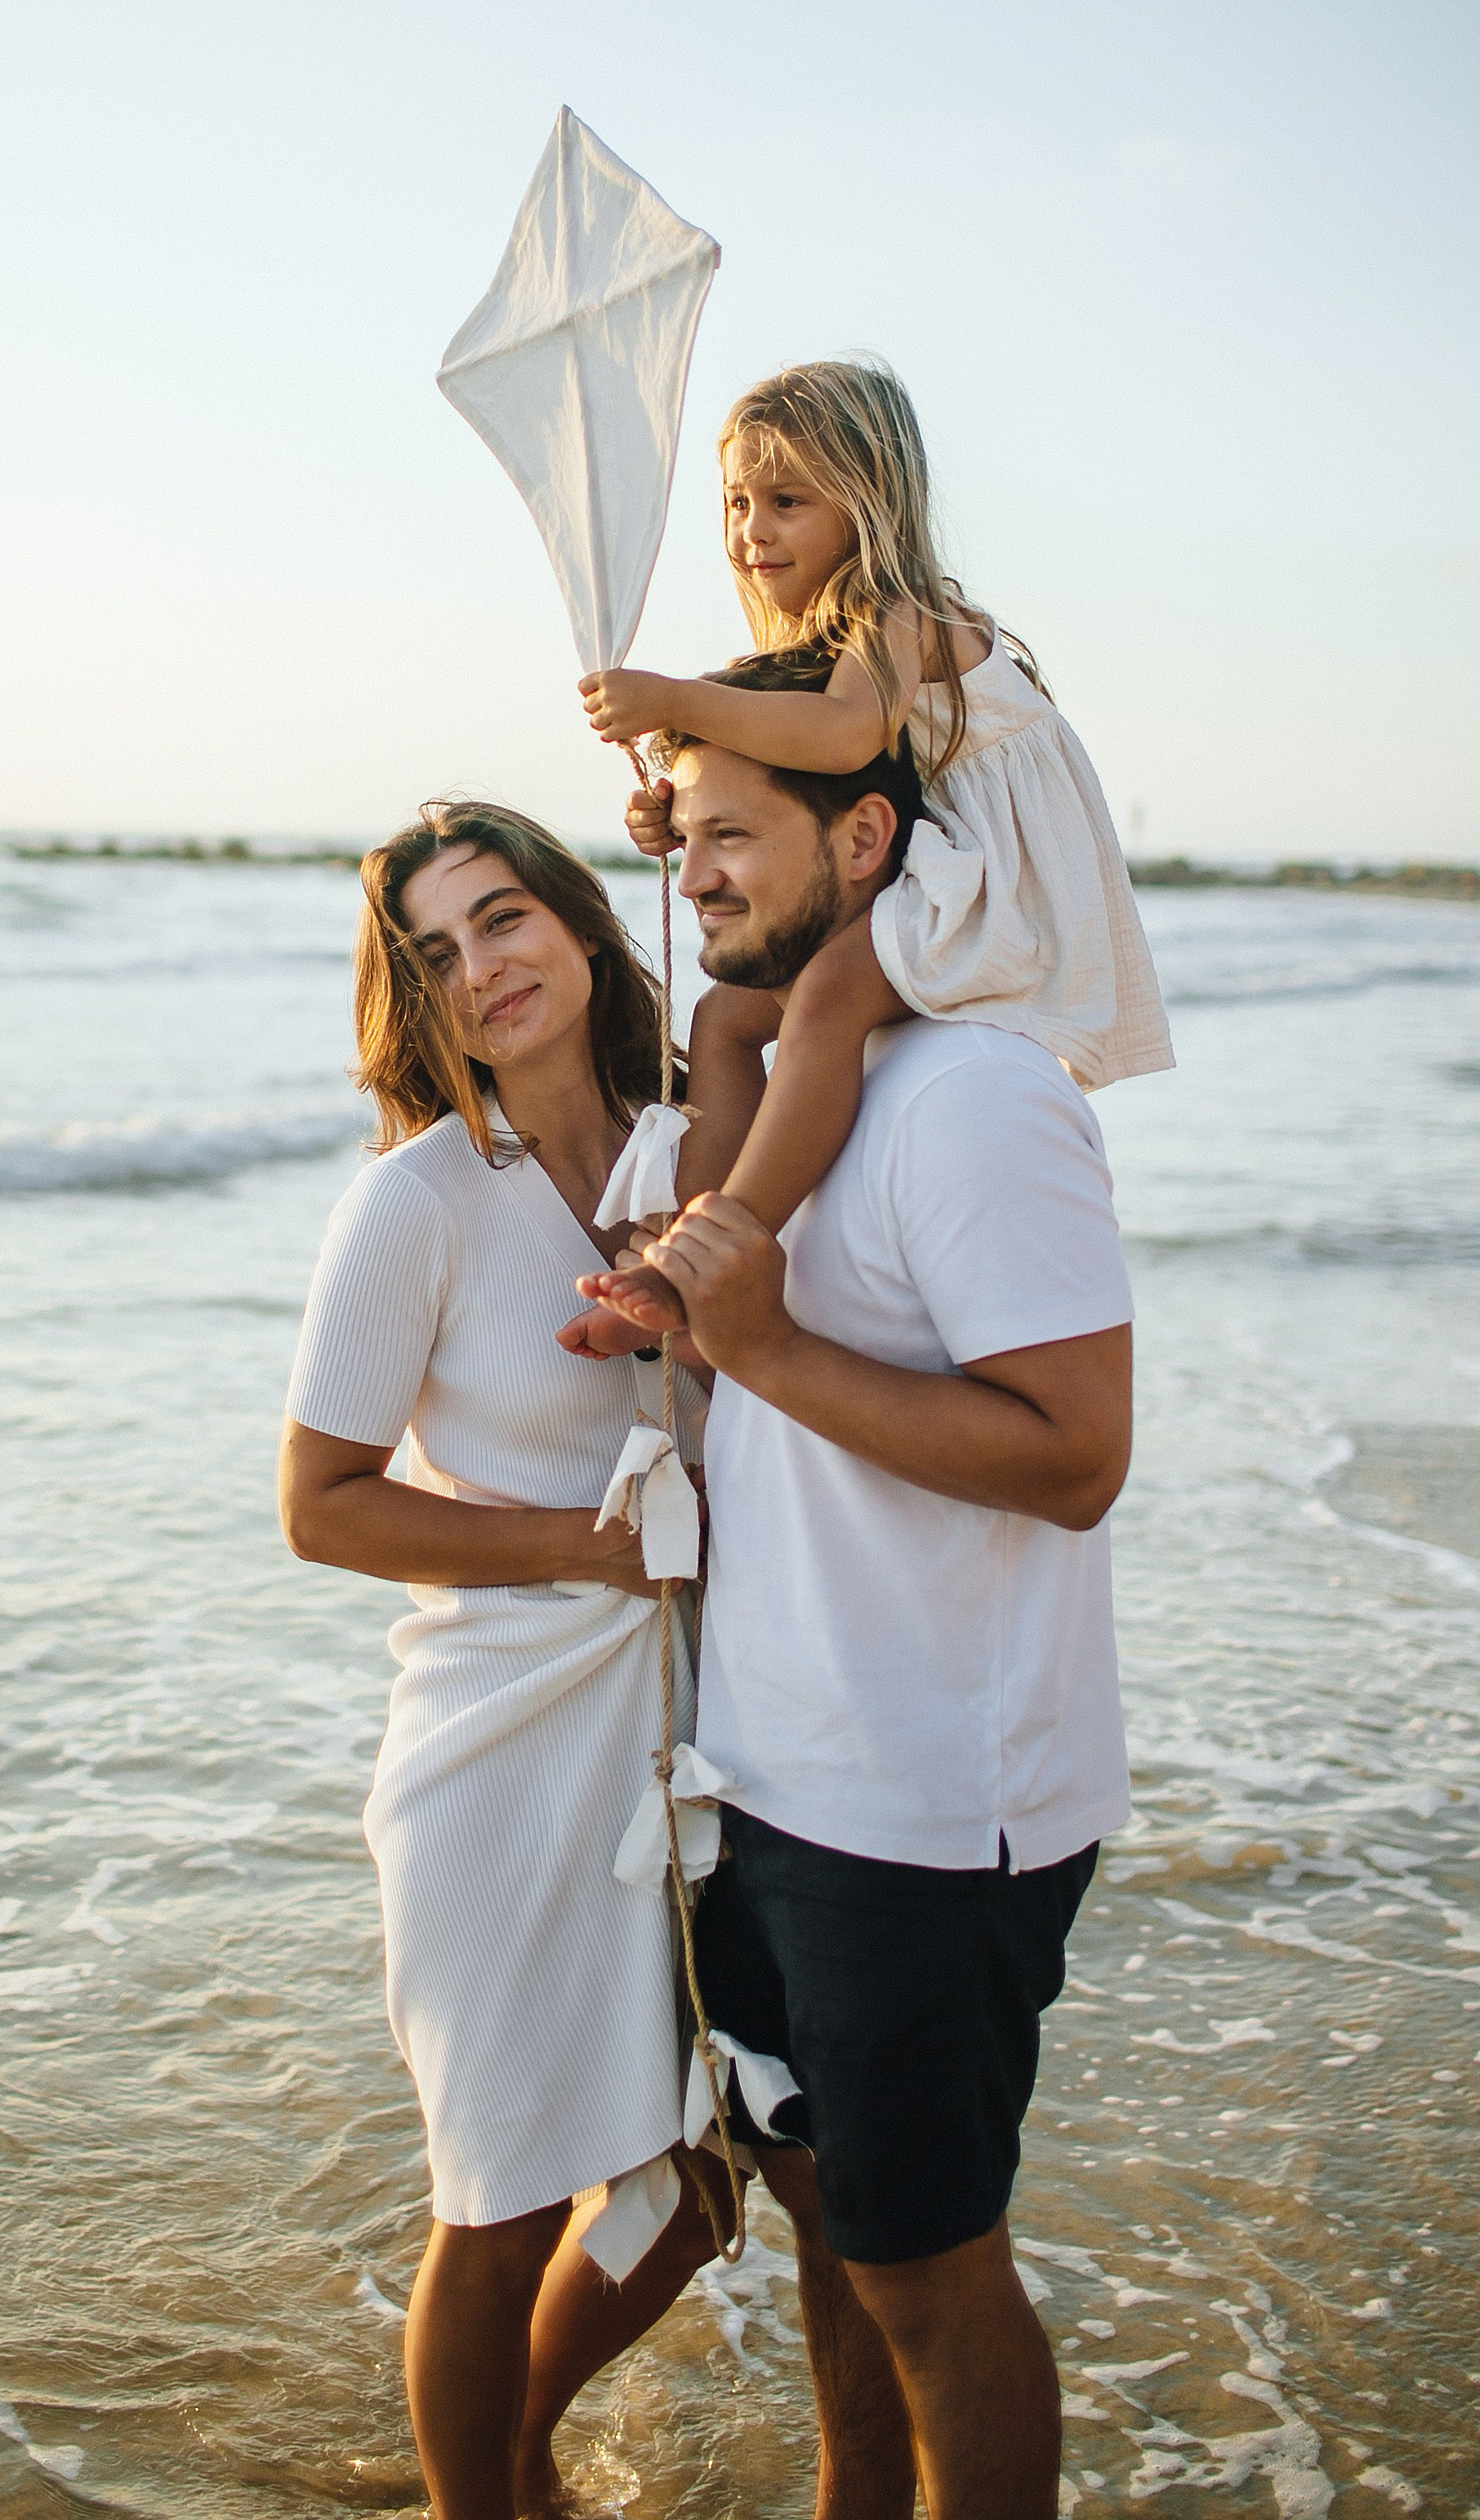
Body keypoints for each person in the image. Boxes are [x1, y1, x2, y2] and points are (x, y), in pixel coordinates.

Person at [574, 662, 1137, 2520]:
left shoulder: (973, 1093)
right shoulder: (788, 1093)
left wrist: (765, 1339)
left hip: (926, 1810)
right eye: (688, 832)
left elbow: (1075, 1451)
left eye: (740, 835)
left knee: (926, 2265)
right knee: (835, 2228)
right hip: (777, 1772)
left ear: (872, 836)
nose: (699, 873)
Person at [276, 802, 736, 2520]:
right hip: (497, 1748)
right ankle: (485, 2500)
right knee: (504, 2197)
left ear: (572, 916)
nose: (482, 970)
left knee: (698, 2178)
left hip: (692, 1733)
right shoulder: (417, 1202)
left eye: (503, 918)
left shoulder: (697, 1146)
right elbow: (320, 1507)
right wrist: (579, 1548)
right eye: (437, 953)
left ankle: (514, 2449)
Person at [567, 354, 1170, 1352]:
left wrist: (674, 697)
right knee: (721, 1020)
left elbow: (844, 739)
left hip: (992, 890)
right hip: (938, 875)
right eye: (736, 502)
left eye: (787, 501)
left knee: (829, 997)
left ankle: (724, 1246)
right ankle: (686, 1227)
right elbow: (799, 772)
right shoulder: (831, 635)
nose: (751, 530)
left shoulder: (906, 615)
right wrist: (676, 815)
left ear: (870, 502)